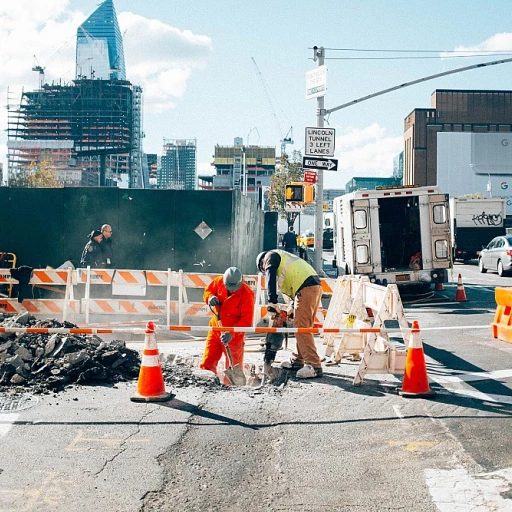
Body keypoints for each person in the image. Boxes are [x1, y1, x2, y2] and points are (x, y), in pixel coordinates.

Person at [256, 249, 323, 378]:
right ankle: (297, 360)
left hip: (306, 287)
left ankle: (314, 365)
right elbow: (294, 282)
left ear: (262, 263)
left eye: (263, 269)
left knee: (302, 328)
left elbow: (270, 274)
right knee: (302, 326)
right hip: (312, 285)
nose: (265, 271)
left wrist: (272, 301)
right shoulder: (284, 258)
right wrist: (292, 307)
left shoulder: (270, 256)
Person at [200, 267, 255, 381]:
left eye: (234, 288)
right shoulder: (218, 281)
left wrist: (231, 333)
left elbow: (246, 321)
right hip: (216, 330)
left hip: (234, 338)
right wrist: (210, 298)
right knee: (208, 362)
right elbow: (207, 291)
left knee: (233, 367)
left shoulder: (247, 294)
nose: (232, 290)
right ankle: (206, 383)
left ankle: (232, 391)